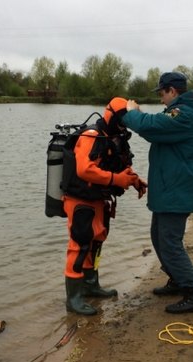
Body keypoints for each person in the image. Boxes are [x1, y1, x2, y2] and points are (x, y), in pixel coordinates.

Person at [123, 72, 193, 314]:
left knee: (169, 242)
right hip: (174, 188)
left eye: (162, 93)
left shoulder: (184, 114)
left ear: (172, 91)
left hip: (178, 189)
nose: (161, 100)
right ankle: (177, 279)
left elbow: (150, 127)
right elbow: (159, 127)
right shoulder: (188, 112)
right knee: (158, 236)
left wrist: (131, 111)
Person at [61, 97, 147, 315]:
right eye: (122, 119)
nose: (124, 124)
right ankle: (73, 299)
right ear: (111, 115)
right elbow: (84, 170)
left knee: (96, 240)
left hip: (98, 199)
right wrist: (116, 180)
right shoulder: (91, 136)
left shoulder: (115, 138)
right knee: (80, 245)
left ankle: (91, 286)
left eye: (126, 121)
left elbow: (123, 165)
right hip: (79, 199)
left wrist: (135, 180)